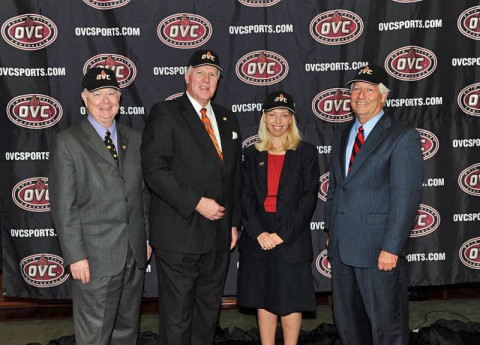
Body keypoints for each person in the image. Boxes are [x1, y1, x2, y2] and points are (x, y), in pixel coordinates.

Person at [141, 49, 242, 345]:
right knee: (177, 317)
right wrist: (197, 202)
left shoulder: (227, 118)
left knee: (208, 315)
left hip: (219, 236)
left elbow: (234, 176)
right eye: (200, 72)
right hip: (179, 236)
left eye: (212, 74)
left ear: (218, 82)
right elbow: (155, 171)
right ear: (187, 77)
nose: (206, 79)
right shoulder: (166, 113)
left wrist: (234, 223)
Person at [49, 67, 151, 345]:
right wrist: (75, 256)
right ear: (85, 98)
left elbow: (143, 194)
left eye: (111, 94)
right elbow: (63, 206)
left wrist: (146, 237)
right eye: (97, 94)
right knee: (94, 335)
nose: (105, 101)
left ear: (119, 98)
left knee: (127, 330)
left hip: (133, 254)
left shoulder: (136, 139)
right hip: (94, 259)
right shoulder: (68, 143)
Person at [324, 64, 424, 345]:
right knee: (348, 327)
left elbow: (406, 198)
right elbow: (336, 188)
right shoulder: (342, 135)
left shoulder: (402, 137)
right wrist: (332, 233)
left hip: (378, 251)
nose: (361, 95)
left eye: (369, 89)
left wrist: (392, 247)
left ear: (384, 97)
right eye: (356, 89)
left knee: (387, 329)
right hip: (343, 250)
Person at [237, 91, 320, 345]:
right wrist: (259, 232)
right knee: (265, 297)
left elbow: (308, 199)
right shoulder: (252, 153)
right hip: (259, 237)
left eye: (284, 115)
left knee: (290, 299)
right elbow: (245, 196)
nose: (278, 120)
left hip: (291, 237)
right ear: (264, 117)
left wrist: (282, 235)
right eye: (272, 114)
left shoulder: (305, 152)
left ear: (291, 119)